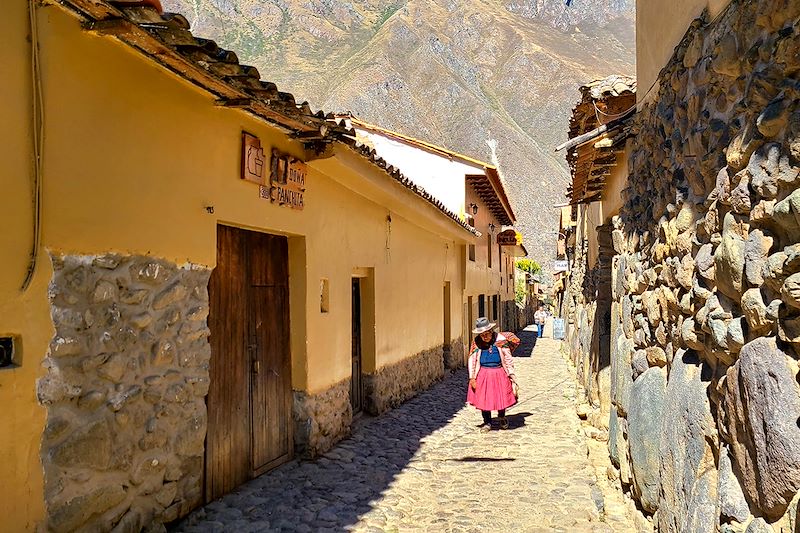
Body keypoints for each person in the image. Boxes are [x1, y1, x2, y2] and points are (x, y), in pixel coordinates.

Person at [467, 317, 518, 432]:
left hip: (499, 372)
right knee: (484, 399)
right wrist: (472, 377)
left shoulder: (500, 340)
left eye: (486, 334)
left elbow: (508, 357)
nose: (484, 337)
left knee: (501, 396)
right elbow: (472, 360)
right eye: (481, 334)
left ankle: (502, 416)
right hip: (483, 373)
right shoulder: (476, 342)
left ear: (491, 331)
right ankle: (487, 422)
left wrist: (511, 374)